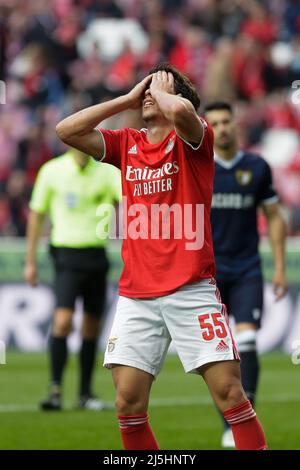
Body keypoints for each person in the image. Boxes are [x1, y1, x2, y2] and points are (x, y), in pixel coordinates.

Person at [55, 63, 268, 450]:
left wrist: (169, 94)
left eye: (158, 87)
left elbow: (185, 115)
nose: (149, 92)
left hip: (191, 289)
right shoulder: (128, 143)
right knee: (127, 404)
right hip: (137, 295)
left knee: (231, 395)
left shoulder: (195, 139)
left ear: (177, 96)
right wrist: (126, 99)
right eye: (147, 87)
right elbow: (66, 130)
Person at [204, 101, 287, 447]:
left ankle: (244, 417)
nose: (222, 128)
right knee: (217, 352)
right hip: (208, 276)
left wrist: (279, 267)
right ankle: (228, 423)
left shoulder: (256, 167)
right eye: (215, 124)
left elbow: (275, 216)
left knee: (248, 340)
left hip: (248, 270)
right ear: (207, 130)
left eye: (226, 122)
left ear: (234, 125)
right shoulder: (199, 167)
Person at [24, 148, 121, 411]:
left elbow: (130, 201)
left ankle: (84, 394)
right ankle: (55, 389)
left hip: (96, 254)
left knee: (91, 326)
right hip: (66, 256)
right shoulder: (52, 170)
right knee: (63, 320)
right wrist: (30, 261)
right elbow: (37, 214)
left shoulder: (107, 171)